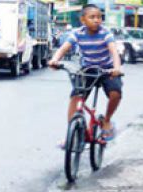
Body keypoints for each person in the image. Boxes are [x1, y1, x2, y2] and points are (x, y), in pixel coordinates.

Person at [48, 5, 122, 141]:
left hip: (107, 69)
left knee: (115, 93)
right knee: (76, 97)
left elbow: (114, 52)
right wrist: (54, 60)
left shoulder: (106, 33)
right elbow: (64, 48)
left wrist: (116, 68)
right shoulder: (77, 33)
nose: (96, 20)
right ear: (83, 20)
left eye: (99, 17)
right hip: (88, 70)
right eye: (92, 17)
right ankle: (70, 135)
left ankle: (106, 121)